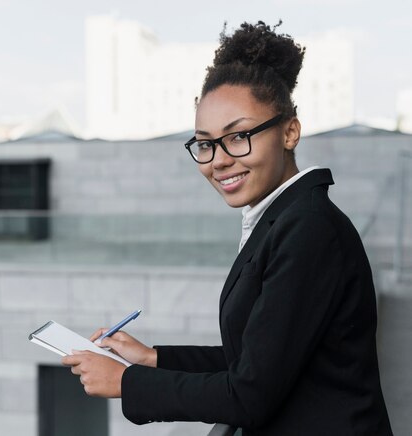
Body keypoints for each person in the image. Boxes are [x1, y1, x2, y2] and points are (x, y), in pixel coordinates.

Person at [62, 21, 393, 435]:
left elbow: (249, 394)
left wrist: (125, 382)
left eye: (238, 137)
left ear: (289, 131)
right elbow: (256, 358)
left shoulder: (309, 230)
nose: (218, 160)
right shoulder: (283, 218)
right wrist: (153, 358)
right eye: (205, 143)